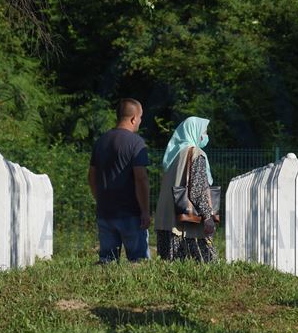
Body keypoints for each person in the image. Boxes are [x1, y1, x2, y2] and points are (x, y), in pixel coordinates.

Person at [88, 98, 150, 263]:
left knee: (106, 261)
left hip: (105, 212)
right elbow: (141, 178)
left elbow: (92, 176)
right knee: (139, 262)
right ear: (133, 118)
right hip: (130, 213)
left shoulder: (101, 142)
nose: (140, 121)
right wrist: (145, 210)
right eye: (140, 117)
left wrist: (99, 199)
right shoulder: (136, 143)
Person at [154, 116, 218, 262]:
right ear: (194, 132)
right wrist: (208, 217)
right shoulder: (196, 154)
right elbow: (197, 190)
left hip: (166, 224)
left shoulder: (173, 155)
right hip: (186, 228)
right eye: (204, 132)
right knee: (205, 268)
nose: (205, 137)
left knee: (170, 274)